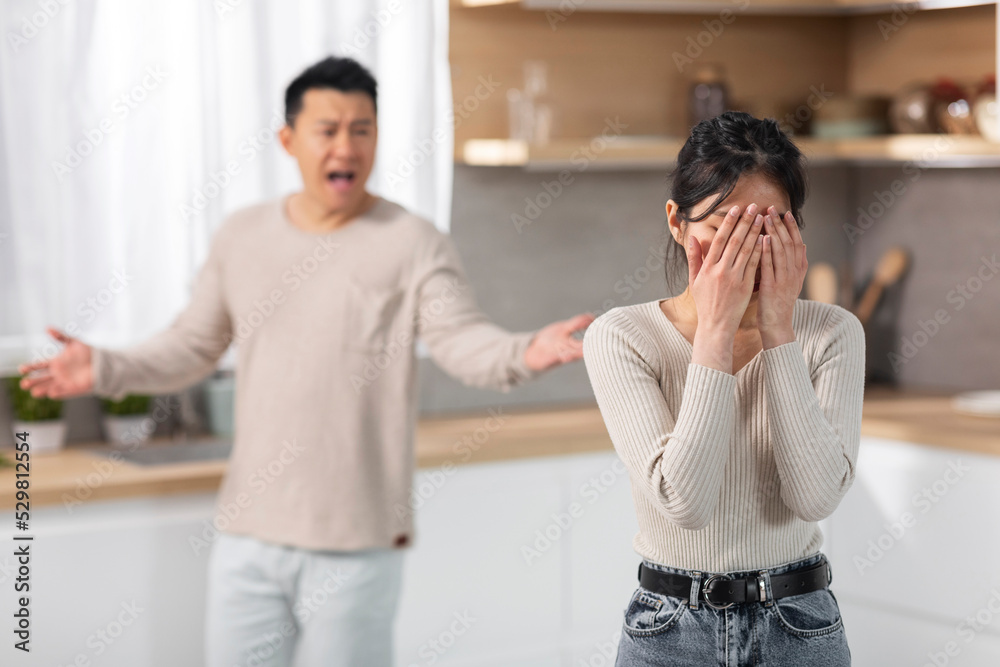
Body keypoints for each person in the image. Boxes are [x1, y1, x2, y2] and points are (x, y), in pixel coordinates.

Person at [18, 56, 594, 667]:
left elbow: (460, 340)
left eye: (362, 129)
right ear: (288, 139)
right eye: (328, 129)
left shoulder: (414, 242)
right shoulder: (242, 236)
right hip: (249, 536)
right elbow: (191, 345)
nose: (346, 146)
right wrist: (103, 367)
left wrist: (524, 351)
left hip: (358, 541)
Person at [582, 111, 864, 666]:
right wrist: (714, 332)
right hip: (669, 630)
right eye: (723, 233)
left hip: (799, 625)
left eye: (767, 231)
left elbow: (817, 498)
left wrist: (779, 330)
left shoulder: (831, 332)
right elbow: (683, 502)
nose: (745, 257)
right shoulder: (622, 336)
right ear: (676, 223)